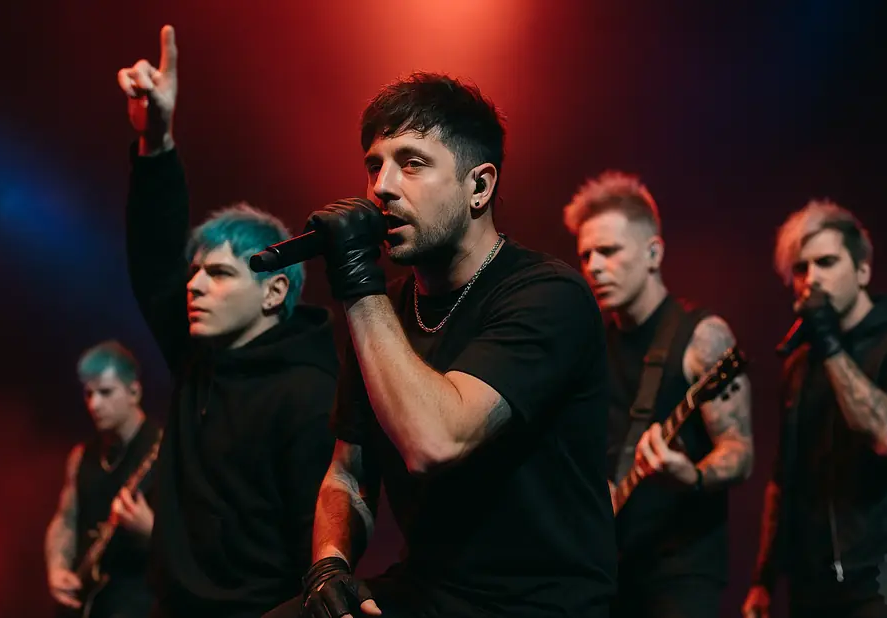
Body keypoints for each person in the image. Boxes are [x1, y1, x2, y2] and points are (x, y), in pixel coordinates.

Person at [278, 71, 617, 618]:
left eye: (412, 163)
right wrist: (329, 567)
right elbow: (348, 473)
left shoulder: (549, 296)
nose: (382, 186)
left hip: (537, 604)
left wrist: (357, 282)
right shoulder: (385, 309)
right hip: (428, 590)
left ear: (479, 186)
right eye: (374, 165)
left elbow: (436, 440)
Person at [116, 26, 339, 618]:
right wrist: (157, 140)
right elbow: (154, 258)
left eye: (217, 273)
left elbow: (318, 550)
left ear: (274, 292)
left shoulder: (312, 394)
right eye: (195, 272)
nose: (193, 286)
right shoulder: (199, 359)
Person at [743, 200, 887, 618]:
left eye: (827, 262)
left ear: (863, 270)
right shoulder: (799, 366)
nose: (812, 279)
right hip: (816, 581)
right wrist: (764, 578)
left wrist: (829, 344)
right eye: (800, 269)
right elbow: (783, 478)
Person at [563, 171, 754, 617]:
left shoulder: (702, 337)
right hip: (610, 568)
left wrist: (692, 475)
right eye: (585, 254)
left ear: (653, 253)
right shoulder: (592, 349)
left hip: (681, 572)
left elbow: (740, 451)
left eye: (608, 251)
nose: (593, 266)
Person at [45, 340, 162, 618]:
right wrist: (57, 568)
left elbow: (201, 541)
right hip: (86, 603)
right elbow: (66, 520)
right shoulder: (81, 456)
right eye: (89, 394)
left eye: (106, 392)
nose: (94, 404)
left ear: (134, 392)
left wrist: (153, 531)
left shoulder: (167, 449)